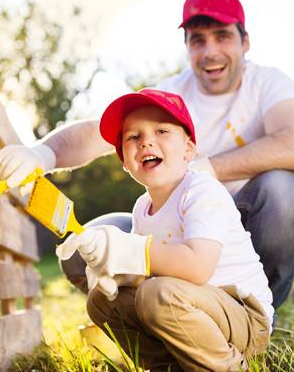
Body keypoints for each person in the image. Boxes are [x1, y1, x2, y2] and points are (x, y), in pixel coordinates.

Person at [0, 0, 294, 309]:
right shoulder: (171, 94)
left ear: (244, 42)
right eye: (198, 40)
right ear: (187, 46)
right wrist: (41, 154)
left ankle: (260, 311)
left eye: (222, 36)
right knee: (83, 249)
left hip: (244, 224)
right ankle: (155, 323)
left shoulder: (268, 83)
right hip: (179, 228)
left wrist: (205, 170)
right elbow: (94, 132)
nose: (210, 51)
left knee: (283, 190)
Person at [55, 88, 272, 371]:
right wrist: (110, 267)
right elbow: (140, 274)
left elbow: (197, 268)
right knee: (103, 301)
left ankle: (229, 366)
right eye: (133, 137)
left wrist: (130, 250)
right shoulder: (141, 207)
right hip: (188, 310)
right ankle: (167, 366)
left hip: (244, 319)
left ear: (189, 149)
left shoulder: (200, 190)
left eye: (161, 131)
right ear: (124, 161)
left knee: (157, 294)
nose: (146, 142)